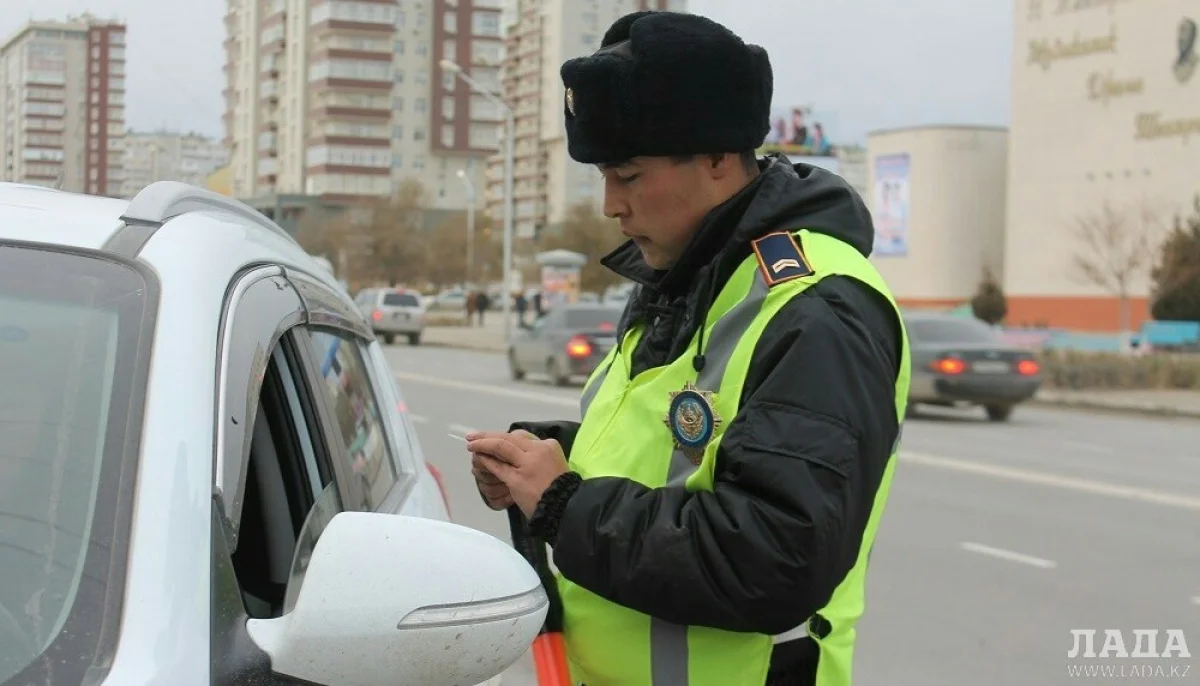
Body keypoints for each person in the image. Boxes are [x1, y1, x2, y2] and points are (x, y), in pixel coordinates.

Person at [466, 10, 910, 686]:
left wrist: (564, 503)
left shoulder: (816, 307)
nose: (611, 205)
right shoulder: (686, 281)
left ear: (717, 157)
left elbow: (772, 558)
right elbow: (679, 457)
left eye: (630, 175)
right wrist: (544, 459)